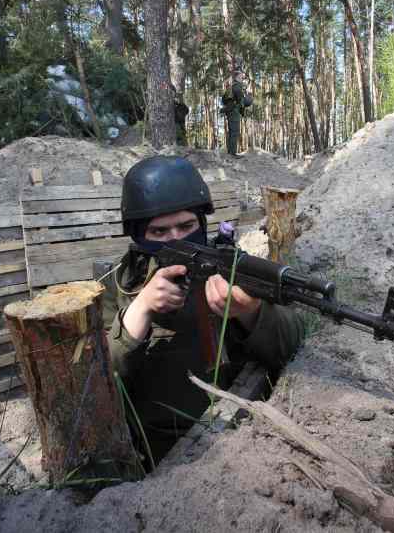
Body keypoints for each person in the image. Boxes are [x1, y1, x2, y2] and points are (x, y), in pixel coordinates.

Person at [102, 155, 303, 460]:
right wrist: (139, 310)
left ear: (202, 222)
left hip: (237, 436)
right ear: (138, 234)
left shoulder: (227, 265)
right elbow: (98, 385)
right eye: (159, 232)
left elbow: (292, 345)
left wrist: (250, 312)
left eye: (186, 226)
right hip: (153, 448)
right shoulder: (119, 284)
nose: (177, 239)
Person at [221, 71, 253, 156]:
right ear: (237, 77)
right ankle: (232, 153)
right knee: (234, 131)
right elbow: (243, 102)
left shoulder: (230, 88)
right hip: (234, 112)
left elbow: (223, 100)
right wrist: (249, 95)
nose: (243, 79)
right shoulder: (237, 86)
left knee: (232, 131)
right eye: (242, 77)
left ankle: (230, 152)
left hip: (230, 111)